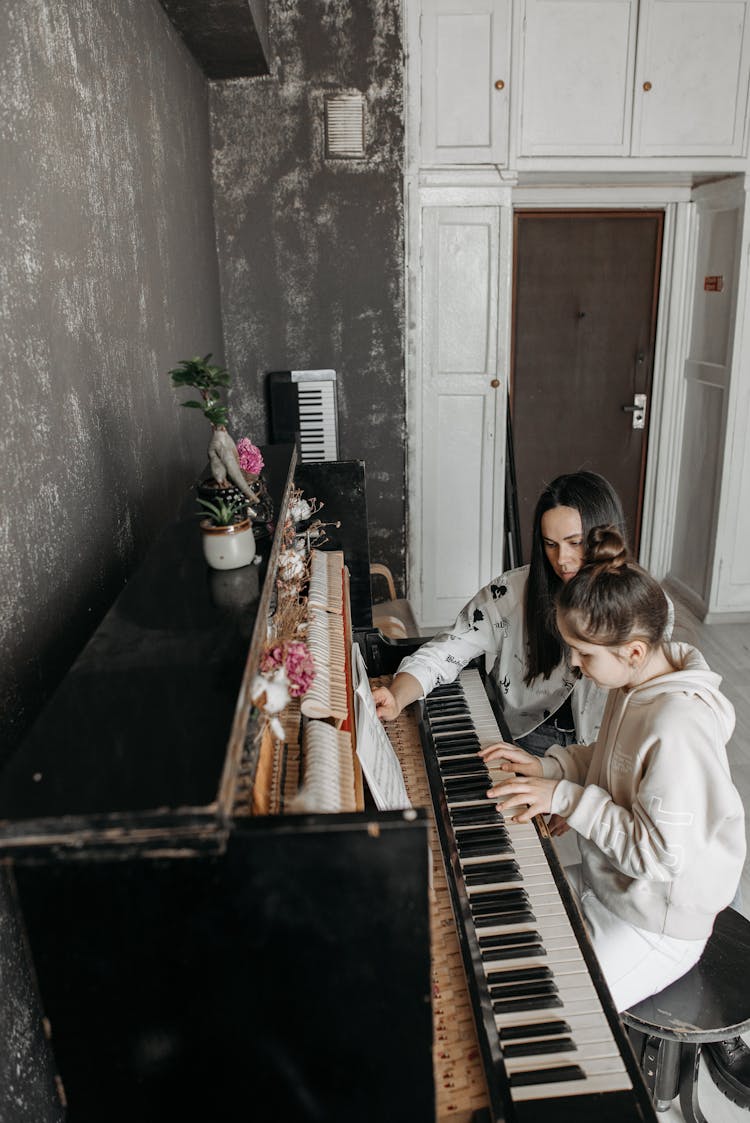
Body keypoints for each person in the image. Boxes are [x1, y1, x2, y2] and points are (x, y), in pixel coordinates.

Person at [479, 525, 746, 1014]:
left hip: (656, 922)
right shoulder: (635, 684)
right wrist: (548, 767)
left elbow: (658, 857)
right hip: (610, 884)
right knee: (504, 930)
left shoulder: (678, 725)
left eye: (584, 654)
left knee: (557, 1009)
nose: (576, 666)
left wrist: (567, 801)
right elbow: (608, 760)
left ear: (634, 651)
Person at [373, 471, 633, 757]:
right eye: (550, 544)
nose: (562, 559)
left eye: (575, 542)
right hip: (522, 736)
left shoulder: (641, 606)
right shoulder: (510, 591)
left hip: (604, 749)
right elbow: (446, 650)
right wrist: (397, 697)